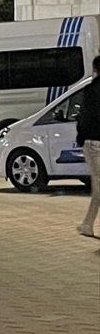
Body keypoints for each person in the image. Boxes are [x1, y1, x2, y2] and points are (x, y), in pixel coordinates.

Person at [77, 54, 100, 238]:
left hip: (94, 143)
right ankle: (87, 224)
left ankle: (87, 224)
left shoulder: (91, 90)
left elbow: (85, 118)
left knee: (98, 186)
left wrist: (81, 137)